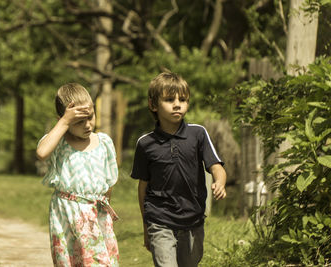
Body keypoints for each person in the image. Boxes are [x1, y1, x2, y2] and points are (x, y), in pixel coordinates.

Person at [130, 72, 227, 267]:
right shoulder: (145, 143)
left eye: (183, 99)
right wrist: (146, 225)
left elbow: (216, 165)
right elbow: (143, 187)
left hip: (193, 220)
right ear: (153, 105)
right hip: (159, 220)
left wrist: (220, 182)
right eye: (169, 99)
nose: (177, 104)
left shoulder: (198, 133)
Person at [36, 83, 119, 267]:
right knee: (70, 262)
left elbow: (109, 181)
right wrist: (64, 122)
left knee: (99, 262)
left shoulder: (103, 142)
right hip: (66, 214)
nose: (87, 125)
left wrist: (105, 211)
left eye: (90, 117)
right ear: (63, 120)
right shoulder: (59, 142)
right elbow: (42, 153)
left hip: (96, 215)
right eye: (78, 121)